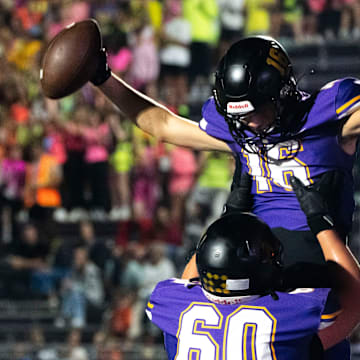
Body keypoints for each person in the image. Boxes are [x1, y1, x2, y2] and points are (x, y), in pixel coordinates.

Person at [145, 171, 360, 359]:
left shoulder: (168, 300)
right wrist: (322, 224)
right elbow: (354, 302)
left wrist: (227, 220)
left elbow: (191, 280)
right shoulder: (289, 313)